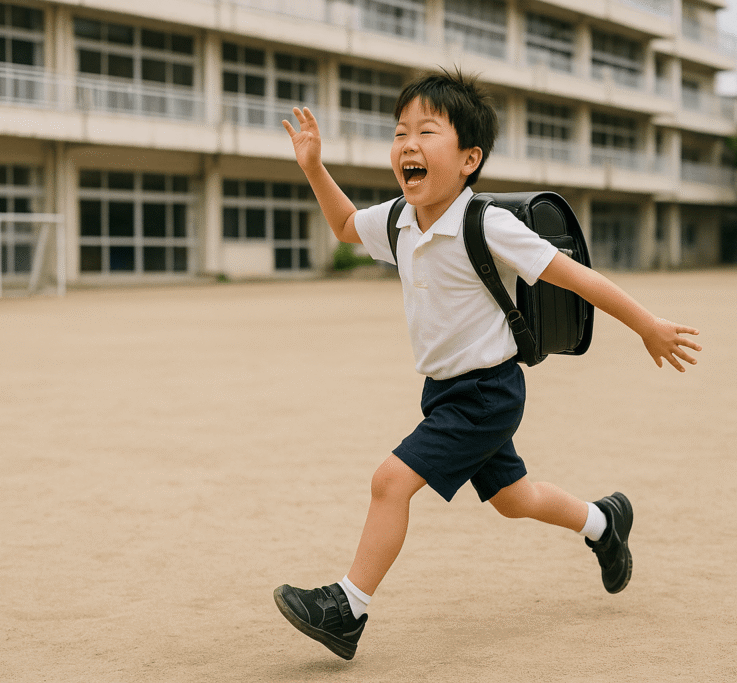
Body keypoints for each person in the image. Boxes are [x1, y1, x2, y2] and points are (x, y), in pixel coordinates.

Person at [275, 69, 701, 661]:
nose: (409, 145)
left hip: (487, 394)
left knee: (389, 482)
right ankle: (605, 524)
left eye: (427, 132)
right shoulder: (399, 219)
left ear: (470, 158)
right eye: (401, 133)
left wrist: (647, 325)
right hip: (444, 392)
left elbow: (578, 277)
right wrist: (314, 167)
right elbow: (347, 227)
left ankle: (348, 608)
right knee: (512, 497)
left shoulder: (489, 224)